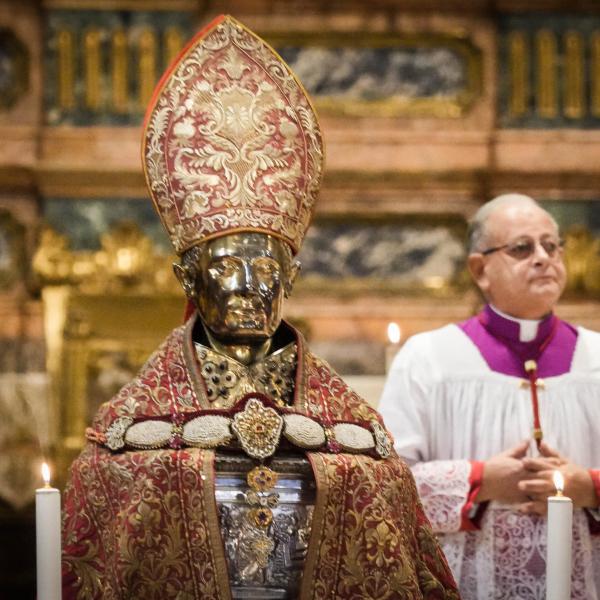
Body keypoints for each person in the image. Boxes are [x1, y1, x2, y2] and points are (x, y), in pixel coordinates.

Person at [61, 15, 459, 599]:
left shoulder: (354, 429)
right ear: (187, 280)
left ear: (291, 278)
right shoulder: (128, 432)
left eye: (267, 268)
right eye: (225, 267)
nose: (250, 285)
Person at [379, 193, 600, 599]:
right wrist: (479, 482)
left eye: (551, 245)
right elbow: (384, 485)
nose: (543, 257)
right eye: (522, 248)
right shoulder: (429, 358)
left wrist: (590, 487)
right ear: (480, 269)